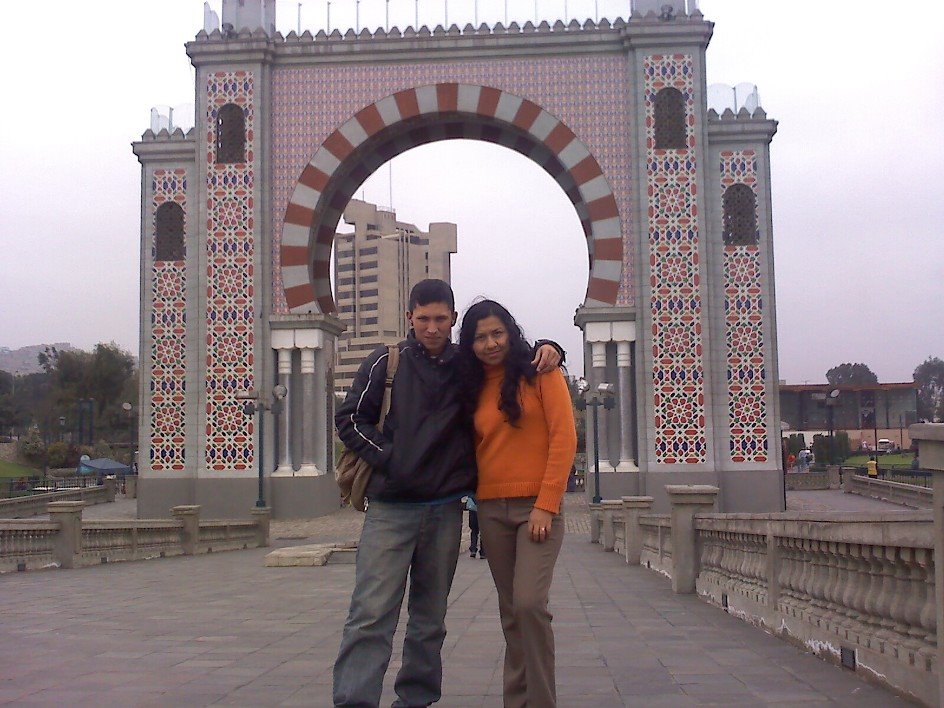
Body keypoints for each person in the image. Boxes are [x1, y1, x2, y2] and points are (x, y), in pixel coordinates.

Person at [333, 279, 562, 708]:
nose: (433, 328)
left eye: (441, 319)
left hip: (443, 510)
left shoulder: (465, 366)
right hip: (391, 508)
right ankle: (354, 701)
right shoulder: (387, 362)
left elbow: (509, 364)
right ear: (410, 318)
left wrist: (551, 348)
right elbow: (349, 420)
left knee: (429, 619)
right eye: (424, 319)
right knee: (370, 615)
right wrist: (393, 459)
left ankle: (416, 700)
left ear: (453, 320)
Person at [458, 299, 578, 708]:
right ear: (469, 343)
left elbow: (564, 439)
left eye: (497, 333)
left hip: (536, 509)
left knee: (529, 604)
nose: (490, 344)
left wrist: (547, 503)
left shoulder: (541, 371)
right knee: (511, 612)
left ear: (510, 332)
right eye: (480, 337)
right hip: (491, 509)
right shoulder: (470, 386)